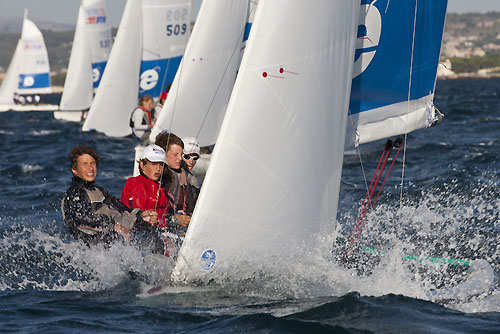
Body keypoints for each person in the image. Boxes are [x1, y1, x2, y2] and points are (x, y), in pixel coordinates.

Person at [62, 145, 164, 253]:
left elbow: (120, 208)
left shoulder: (99, 191)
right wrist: (113, 226)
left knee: (150, 233)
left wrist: (141, 215)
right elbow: (80, 217)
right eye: (84, 164)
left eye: (93, 163)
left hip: (110, 243)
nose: (90, 168)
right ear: (74, 170)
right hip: (92, 251)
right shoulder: (74, 193)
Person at [120, 144, 171, 229]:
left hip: (160, 231)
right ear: (142, 165)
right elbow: (132, 212)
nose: (158, 168)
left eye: (161, 164)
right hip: (139, 231)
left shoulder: (163, 186)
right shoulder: (134, 183)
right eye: (154, 163)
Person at [155, 131, 195, 232]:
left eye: (181, 154)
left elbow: (190, 205)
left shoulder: (184, 175)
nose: (180, 158)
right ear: (163, 154)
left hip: (180, 228)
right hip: (163, 229)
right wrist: (174, 219)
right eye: (175, 154)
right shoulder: (158, 177)